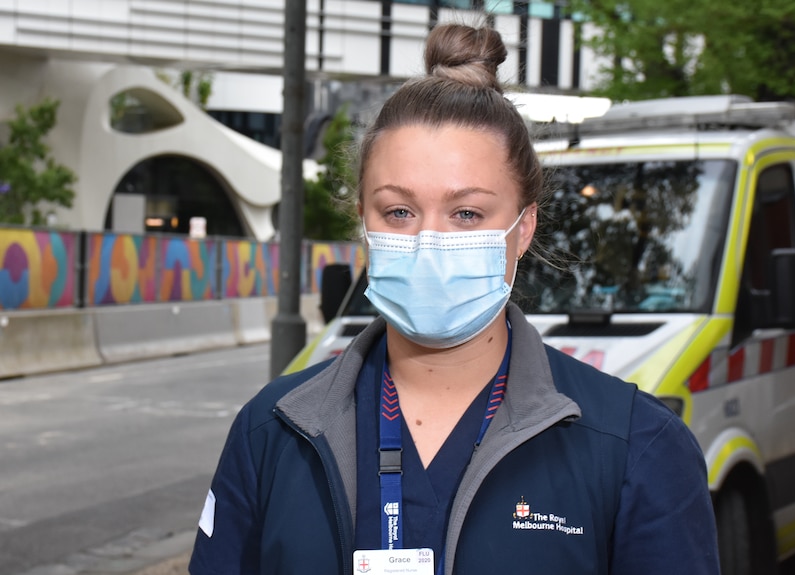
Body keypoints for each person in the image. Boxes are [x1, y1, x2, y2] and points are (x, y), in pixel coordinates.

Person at [189, 22, 720, 575]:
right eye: (399, 211)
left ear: (523, 227)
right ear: (363, 225)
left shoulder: (635, 446)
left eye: (467, 213)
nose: (428, 241)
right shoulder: (272, 434)